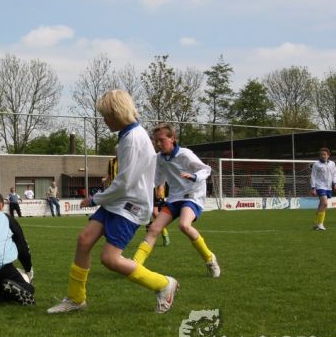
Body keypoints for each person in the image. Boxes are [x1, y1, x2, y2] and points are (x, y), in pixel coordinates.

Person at [47, 89, 177, 314]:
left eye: (106, 115)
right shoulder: (128, 135)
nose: (104, 120)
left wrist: (95, 198)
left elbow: (125, 183)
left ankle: (163, 284)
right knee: (84, 240)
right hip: (118, 201)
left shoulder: (134, 139)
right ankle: (76, 299)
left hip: (130, 206)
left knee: (110, 259)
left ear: (118, 113)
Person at [136, 124, 219, 278]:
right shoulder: (159, 158)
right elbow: (157, 179)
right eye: (156, 141)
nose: (158, 144)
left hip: (192, 195)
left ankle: (210, 259)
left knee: (184, 225)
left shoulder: (185, 154)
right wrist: (141, 190)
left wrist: (194, 176)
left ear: (172, 138)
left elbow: (206, 169)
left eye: (162, 140)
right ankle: (135, 265)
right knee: (154, 229)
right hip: (174, 198)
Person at [310, 147, 336, 230]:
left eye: (325, 154)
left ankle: (316, 223)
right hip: (320, 186)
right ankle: (320, 224)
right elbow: (313, 176)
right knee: (325, 204)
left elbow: (335, 174)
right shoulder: (316, 164)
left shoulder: (332, 164)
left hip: (328, 187)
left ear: (328, 155)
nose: (323, 156)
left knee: (321, 205)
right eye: (321, 154)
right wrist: (313, 188)